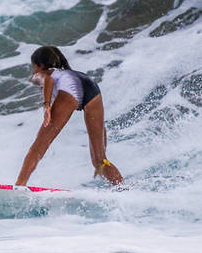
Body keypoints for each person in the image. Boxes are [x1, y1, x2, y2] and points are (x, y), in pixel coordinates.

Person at [15, 45, 124, 187]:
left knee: (39, 145)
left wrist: (47, 105)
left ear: (40, 65)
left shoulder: (47, 73)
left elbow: (48, 79)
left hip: (71, 88)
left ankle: (19, 185)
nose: (33, 70)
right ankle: (123, 188)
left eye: (34, 67)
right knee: (100, 160)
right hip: (93, 92)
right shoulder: (67, 72)